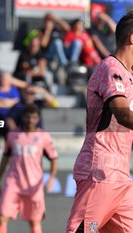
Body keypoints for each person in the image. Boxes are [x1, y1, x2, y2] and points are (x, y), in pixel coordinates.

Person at [66, 11, 133, 233]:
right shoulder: (111, 68)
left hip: (120, 173)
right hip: (101, 170)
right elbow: (122, 114)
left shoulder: (128, 74)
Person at [0, 104, 58, 233]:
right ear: (23, 117)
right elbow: (5, 158)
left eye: (33, 117)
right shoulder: (13, 135)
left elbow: (54, 159)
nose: (30, 120)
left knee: (35, 221)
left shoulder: (43, 136)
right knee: (2, 218)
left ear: (38, 119)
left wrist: (51, 179)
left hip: (34, 184)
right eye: (28, 117)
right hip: (14, 182)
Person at [0, 72, 20, 149]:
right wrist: (8, 102)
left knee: (9, 141)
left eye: (6, 79)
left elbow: (15, 102)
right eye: (3, 78)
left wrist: (2, 101)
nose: (4, 80)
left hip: (9, 120)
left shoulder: (14, 90)